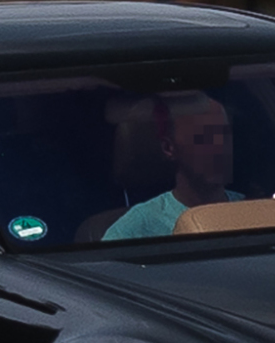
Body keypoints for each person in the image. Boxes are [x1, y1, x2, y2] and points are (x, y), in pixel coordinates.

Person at [101, 92, 243, 240]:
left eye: (223, 134)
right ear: (169, 147)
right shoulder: (135, 230)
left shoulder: (253, 210)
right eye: (203, 138)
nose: (219, 147)